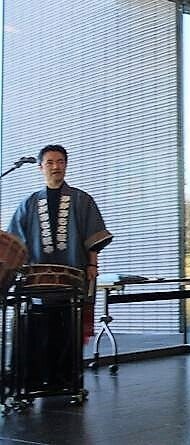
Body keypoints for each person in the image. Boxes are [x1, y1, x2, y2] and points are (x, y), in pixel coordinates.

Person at [8, 144, 113, 389]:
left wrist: (92, 265)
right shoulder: (29, 203)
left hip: (73, 276)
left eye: (60, 162)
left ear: (66, 165)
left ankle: (67, 381)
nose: (56, 167)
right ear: (40, 167)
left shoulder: (82, 200)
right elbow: (15, 242)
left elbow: (93, 238)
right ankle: (34, 381)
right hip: (38, 281)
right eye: (50, 162)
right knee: (38, 328)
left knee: (69, 329)